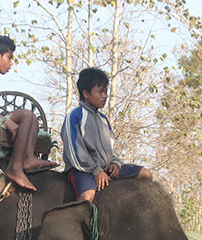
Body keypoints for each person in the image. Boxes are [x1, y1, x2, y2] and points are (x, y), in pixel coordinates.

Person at [0, 35, 55, 191]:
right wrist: (5, 121)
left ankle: (27, 159)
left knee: (31, 117)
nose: (10, 63)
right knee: (26, 115)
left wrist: (3, 118)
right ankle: (16, 169)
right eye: (9, 57)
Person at [61, 67, 152, 202]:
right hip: (83, 170)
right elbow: (74, 152)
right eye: (100, 92)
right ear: (86, 93)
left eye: (106, 91)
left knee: (146, 174)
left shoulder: (103, 119)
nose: (105, 96)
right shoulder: (74, 116)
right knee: (88, 196)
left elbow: (112, 146)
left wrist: (115, 163)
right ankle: (81, 222)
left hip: (107, 169)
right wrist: (96, 170)